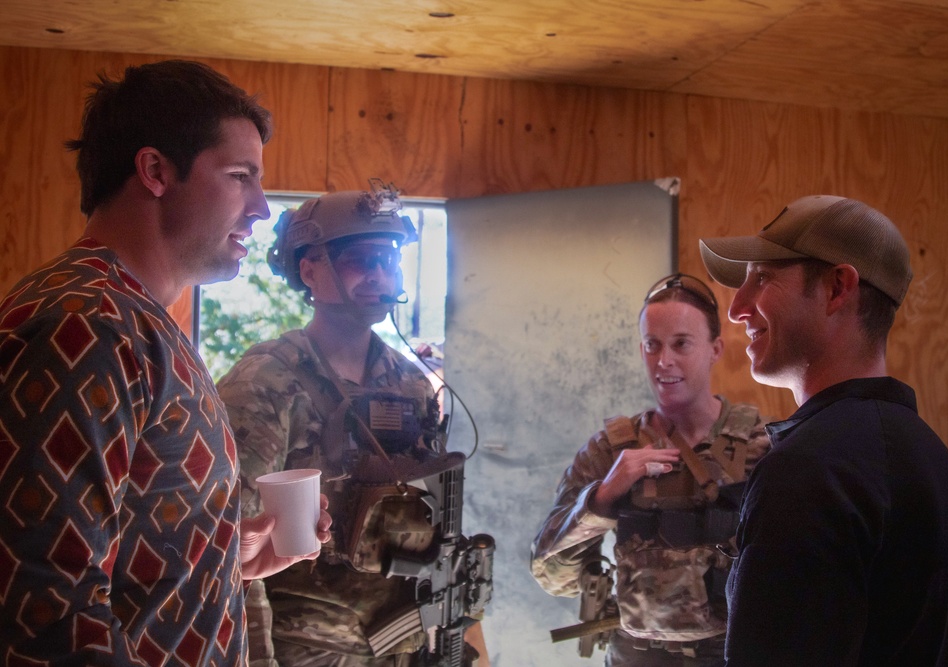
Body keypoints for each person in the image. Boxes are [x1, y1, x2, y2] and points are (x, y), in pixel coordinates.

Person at [0, 60, 331, 664]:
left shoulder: (140, 322)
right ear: (155, 170)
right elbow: (46, 614)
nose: (261, 207)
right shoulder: (87, 326)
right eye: (240, 176)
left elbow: (115, 550)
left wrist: (224, 554)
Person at [699, 194, 948, 666]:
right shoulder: (939, 465)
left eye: (762, 278)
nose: (736, 309)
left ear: (837, 288)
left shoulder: (808, 473)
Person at [216, 186, 490, 667]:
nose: (380, 275)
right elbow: (232, 551)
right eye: (360, 259)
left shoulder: (411, 385)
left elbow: (430, 525)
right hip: (304, 652)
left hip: (400, 645)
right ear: (309, 270)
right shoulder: (267, 382)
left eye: (389, 259)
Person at [530, 273, 771, 666]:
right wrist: (603, 498)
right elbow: (551, 575)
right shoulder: (610, 450)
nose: (664, 361)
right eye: (652, 345)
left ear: (715, 349)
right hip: (634, 657)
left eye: (681, 344)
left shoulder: (761, 446)